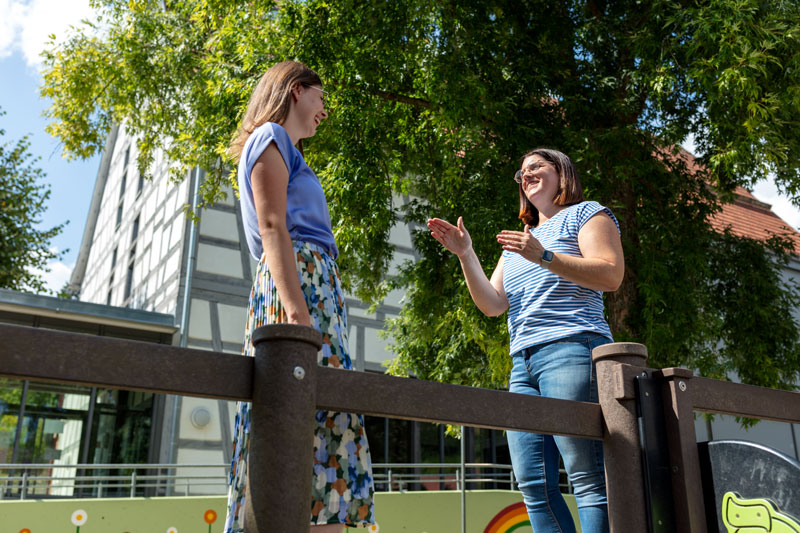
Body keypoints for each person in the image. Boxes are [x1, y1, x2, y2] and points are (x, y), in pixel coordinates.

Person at [427, 148, 624, 532]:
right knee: (534, 484)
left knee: (586, 476)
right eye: (522, 173)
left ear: (562, 172)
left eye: (536, 167)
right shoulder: (520, 240)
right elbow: (493, 304)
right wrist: (466, 254)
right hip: (523, 365)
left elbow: (611, 275)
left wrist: (544, 255)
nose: (526, 175)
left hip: (572, 348)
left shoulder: (588, 214)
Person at [224, 61, 375, 533]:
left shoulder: (289, 149)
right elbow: (273, 227)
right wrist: (296, 312)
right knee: (303, 407)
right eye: (321, 98)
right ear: (295, 90)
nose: (324, 111)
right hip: (298, 284)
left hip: (314, 283)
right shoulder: (270, 135)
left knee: (324, 415)